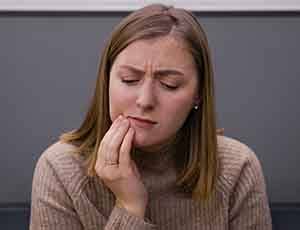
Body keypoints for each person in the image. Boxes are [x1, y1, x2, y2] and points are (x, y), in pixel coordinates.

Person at [30, 3, 272, 230]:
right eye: (129, 80)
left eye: (170, 84)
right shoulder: (60, 169)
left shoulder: (238, 167)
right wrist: (129, 207)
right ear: (106, 82)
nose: (145, 100)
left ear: (198, 94)